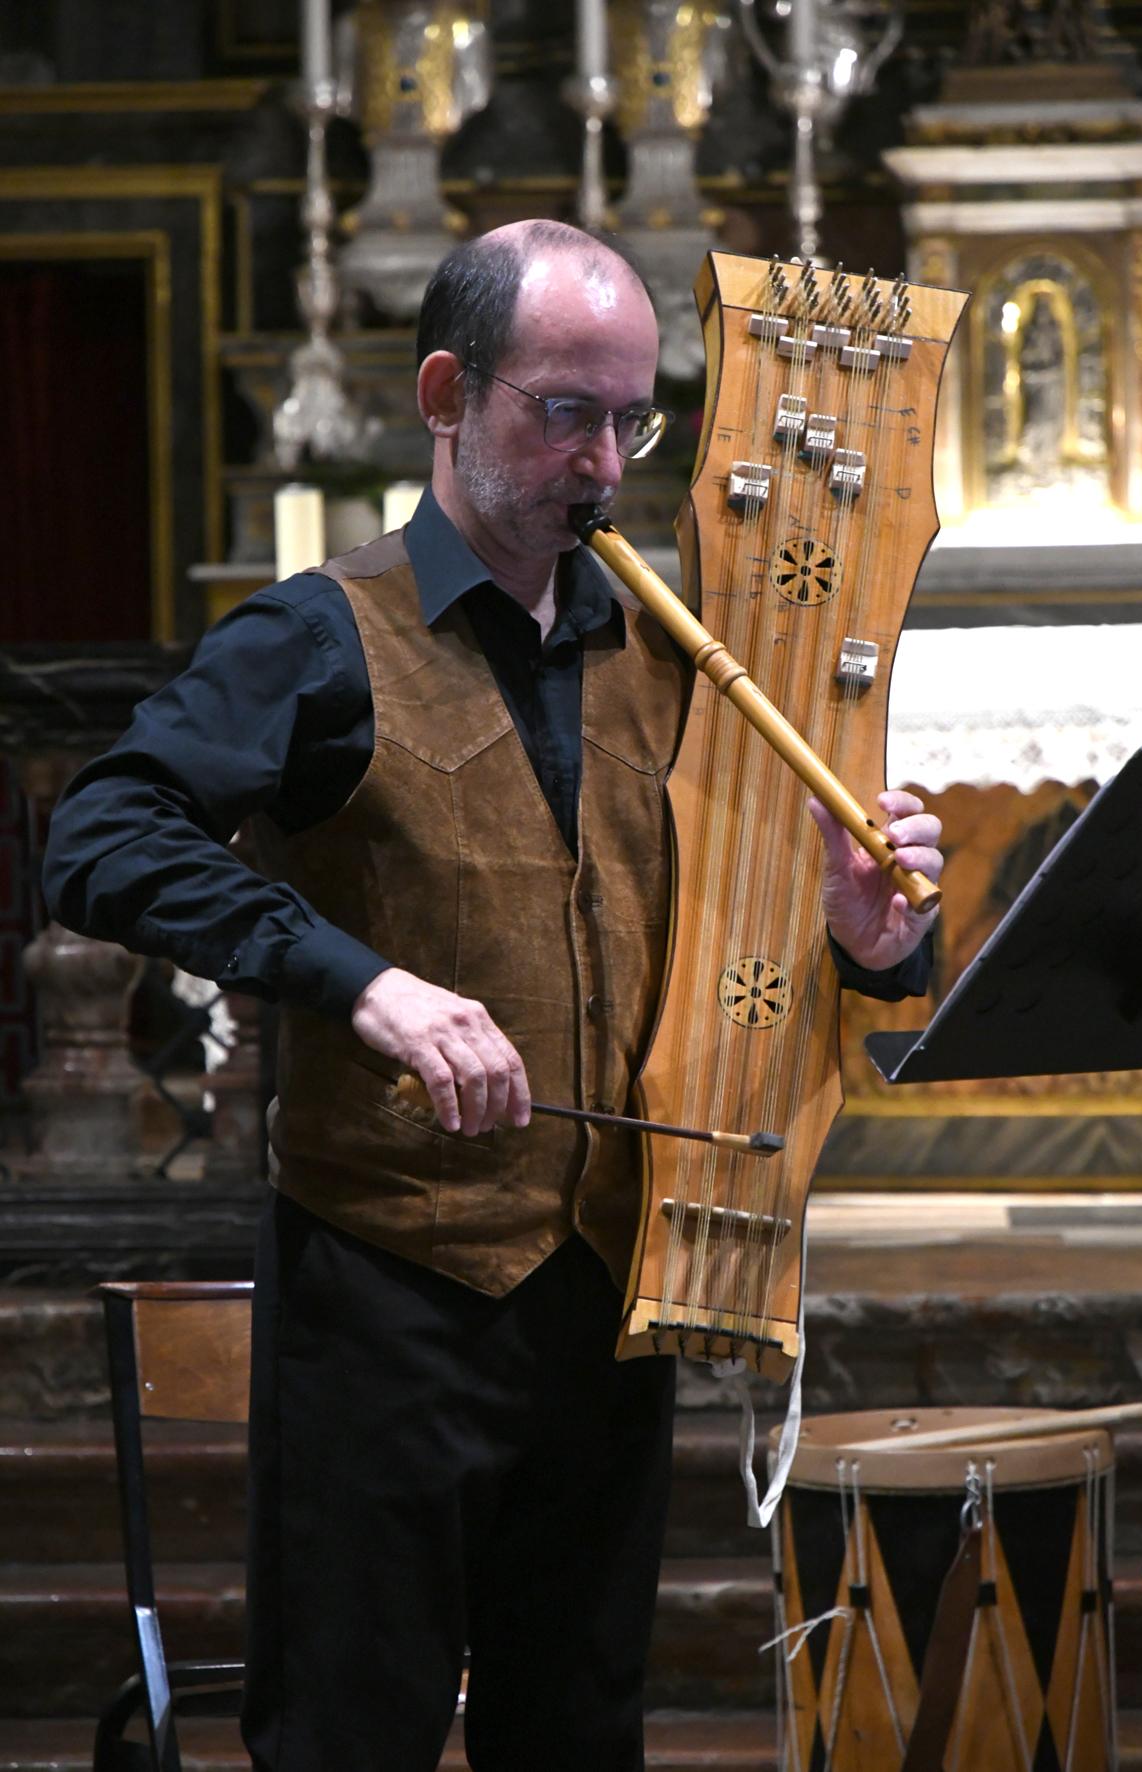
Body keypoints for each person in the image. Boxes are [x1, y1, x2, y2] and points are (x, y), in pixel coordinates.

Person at [43, 220, 942, 1772]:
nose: (604, 462)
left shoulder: (673, 659)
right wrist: (364, 984)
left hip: (608, 1298)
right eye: (565, 412)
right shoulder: (321, 634)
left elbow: (775, 947)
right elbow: (100, 835)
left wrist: (865, 935)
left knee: (578, 1729)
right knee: (351, 1731)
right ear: (449, 391)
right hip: (387, 1293)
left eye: (630, 417)